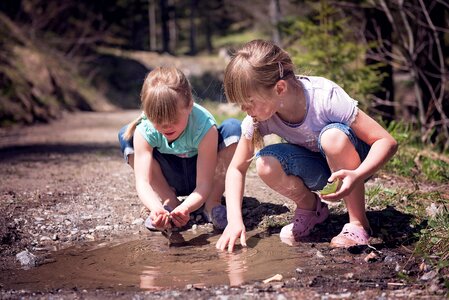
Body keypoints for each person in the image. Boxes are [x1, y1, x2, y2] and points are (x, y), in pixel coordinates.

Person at [215, 40, 398, 252]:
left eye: (249, 102)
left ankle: (358, 223)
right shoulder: (259, 118)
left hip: (354, 166)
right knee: (265, 163)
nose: (245, 110)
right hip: (322, 172)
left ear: (279, 88)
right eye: (240, 105)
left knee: (332, 138)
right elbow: (237, 169)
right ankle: (311, 209)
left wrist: (357, 175)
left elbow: (386, 141)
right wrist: (235, 220)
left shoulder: (324, 96)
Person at [118, 66, 241, 231]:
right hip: (169, 178)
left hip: (203, 176)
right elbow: (143, 182)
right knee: (126, 134)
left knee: (233, 128)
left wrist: (186, 208)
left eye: (173, 119)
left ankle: (212, 203)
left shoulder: (203, 126)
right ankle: (169, 200)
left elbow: (204, 183)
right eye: (158, 120)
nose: (166, 126)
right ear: (147, 113)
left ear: (189, 105)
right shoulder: (145, 129)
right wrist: (156, 208)